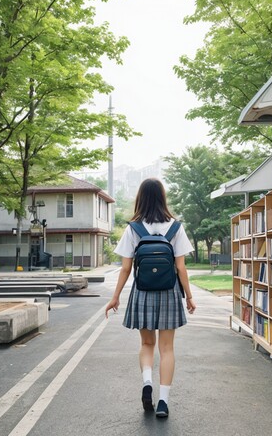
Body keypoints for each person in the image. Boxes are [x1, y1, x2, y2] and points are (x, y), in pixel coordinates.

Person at [105, 178, 196, 418]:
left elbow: (125, 269)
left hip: (142, 292)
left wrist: (115, 297)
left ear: (140, 198)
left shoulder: (133, 228)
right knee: (167, 348)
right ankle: (163, 402)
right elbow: (181, 268)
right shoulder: (175, 227)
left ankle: (147, 383)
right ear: (162, 198)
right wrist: (189, 296)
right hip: (168, 293)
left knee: (147, 344)